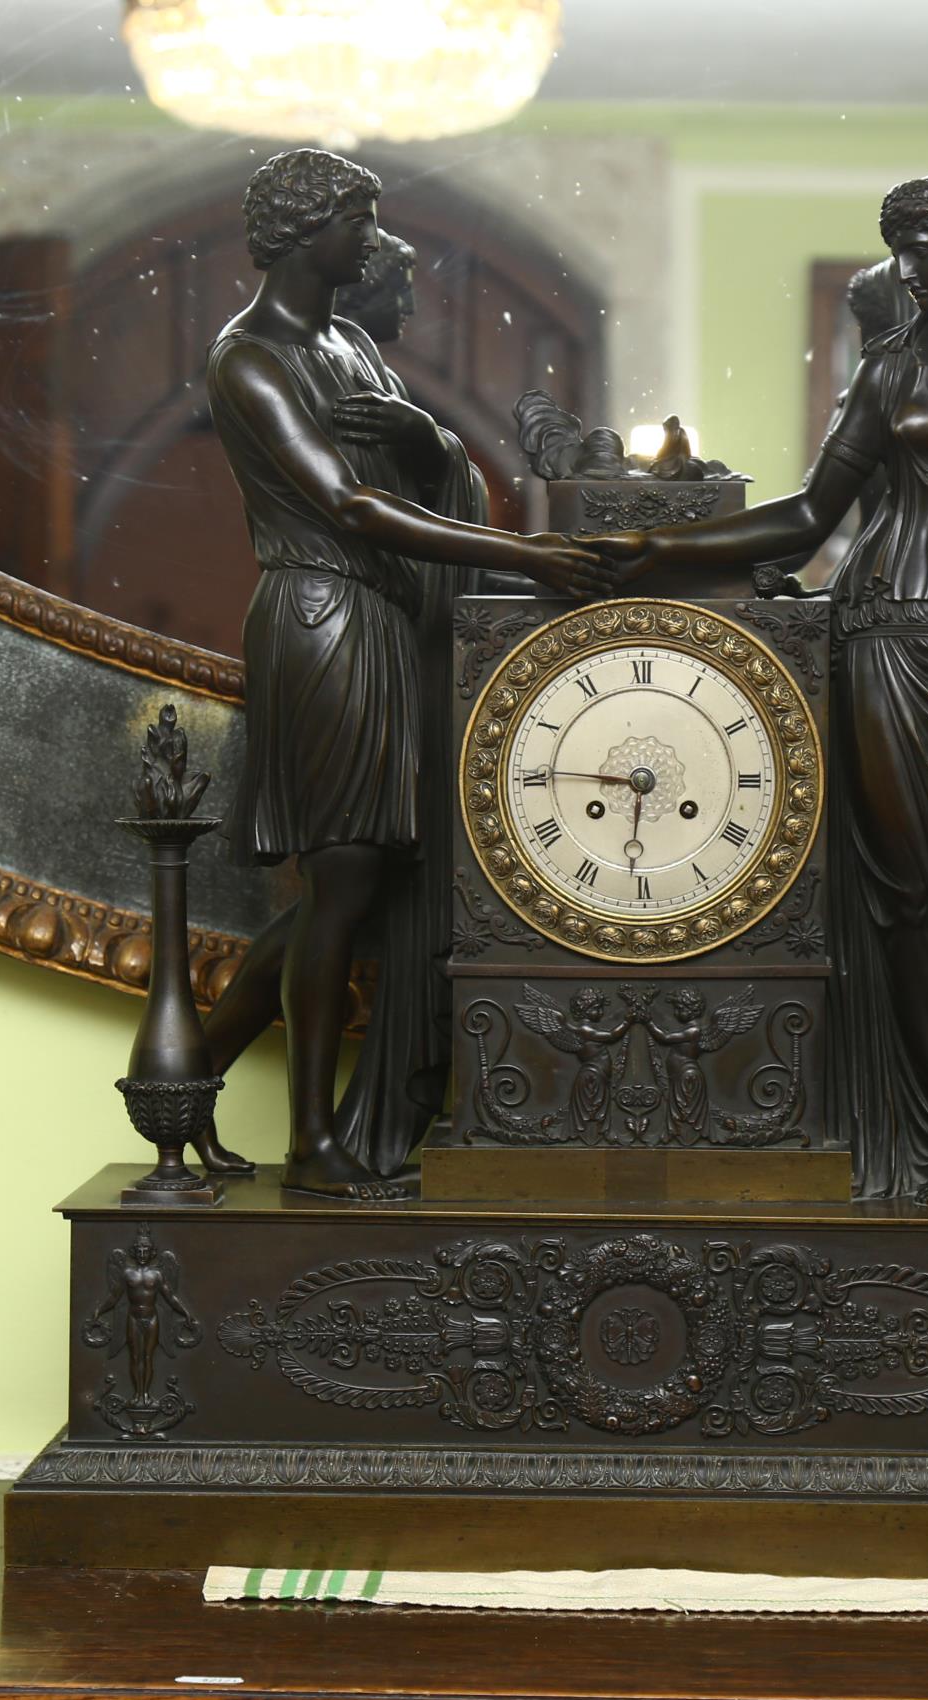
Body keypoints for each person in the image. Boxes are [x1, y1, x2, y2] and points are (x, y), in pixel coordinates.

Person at [585, 168, 928, 1205]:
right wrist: (663, 543)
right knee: (908, 901)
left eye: (922, 247)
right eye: (899, 250)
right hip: (884, 632)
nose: (904, 270)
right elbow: (809, 516)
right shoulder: (887, 372)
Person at [193, 149, 609, 1201]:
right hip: (323, 614)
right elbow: (350, 508)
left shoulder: (345, 343)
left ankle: (186, 1075)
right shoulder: (248, 359)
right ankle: (312, 1147)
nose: (374, 242)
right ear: (302, 231)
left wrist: (430, 440)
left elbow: (418, 482)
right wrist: (530, 558)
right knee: (341, 882)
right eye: (359, 222)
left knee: (363, 885)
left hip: (379, 619)